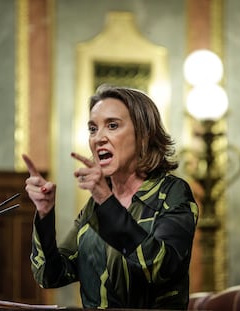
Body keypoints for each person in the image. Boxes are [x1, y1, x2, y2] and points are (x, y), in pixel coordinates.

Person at [23, 85, 199, 309]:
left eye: (112, 126)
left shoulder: (171, 192)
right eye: (93, 129)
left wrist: (106, 201)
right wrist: (45, 214)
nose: (98, 138)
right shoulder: (95, 206)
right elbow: (50, 275)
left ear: (144, 134)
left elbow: (161, 268)